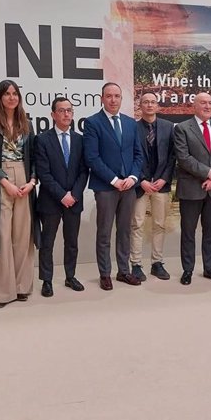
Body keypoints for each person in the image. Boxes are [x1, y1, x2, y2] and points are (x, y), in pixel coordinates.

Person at [0, 80, 39, 307]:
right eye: (7, 94)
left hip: (24, 179)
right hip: (0, 180)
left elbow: (34, 157)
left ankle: (22, 286)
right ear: (0, 97)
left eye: (15, 93)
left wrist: (32, 181)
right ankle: (3, 292)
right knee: (2, 236)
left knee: (23, 236)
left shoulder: (27, 123)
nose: (11, 97)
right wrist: (5, 182)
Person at [83, 82, 143, 291]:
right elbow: (92, 157)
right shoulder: (92, 123)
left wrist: (134, 177)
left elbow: (138, 154)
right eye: (109, 96)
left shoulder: (130, 123)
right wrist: (114, 180)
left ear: (121, 98)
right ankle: (105, 273)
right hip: (106, 187)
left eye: (117, 96)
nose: (113, 100)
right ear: (102, 98)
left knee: (125, 231)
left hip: (129, 187)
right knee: (104, 232)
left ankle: (123, 271)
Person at [173, 92, 211, 285]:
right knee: (188, 232)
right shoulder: (182, 128)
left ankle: (209, 268)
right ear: (194, 106)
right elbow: (183, 158)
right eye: (203, 103)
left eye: (210, 103)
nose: (207, 106)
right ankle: (188, 270)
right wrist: (208, 173)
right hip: (191, 188)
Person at [34, 97, 89, 297]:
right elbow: (43, 173)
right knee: (47, 243)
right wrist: (62, 195)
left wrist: (73, 194)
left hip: (73, 201)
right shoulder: (41, 140)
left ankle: (70, 276)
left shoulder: (80, 139)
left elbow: (84, 171)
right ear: (53, 115)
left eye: (69, 111)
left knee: (72, 241)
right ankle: (46, 280)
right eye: (62, 111)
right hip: (51, 201)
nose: (66, 114)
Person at [130, 92, 175, 281]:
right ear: (140, 106)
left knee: (159, 224)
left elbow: (173, 156)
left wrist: (164, 179)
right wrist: (142, 180)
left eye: (153, 102)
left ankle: (157, 263)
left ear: (158, 106)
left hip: (161, 184)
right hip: (141, 185)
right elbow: (130, 156)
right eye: (145, 102)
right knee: (137, 224)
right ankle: (136, 265)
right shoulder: (132, 127)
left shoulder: (168, 127)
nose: (149, 105)